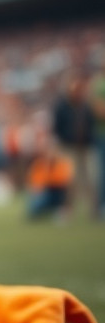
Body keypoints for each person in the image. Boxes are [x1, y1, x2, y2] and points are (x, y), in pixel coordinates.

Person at [51, 74, 96, 219]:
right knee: (70, 180)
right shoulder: (62, 106)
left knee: (90, 178)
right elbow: (56, 128)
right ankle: (68, 210)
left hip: (85, 146)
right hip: (68, 147)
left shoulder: (86, 105)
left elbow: (92, 124)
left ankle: (94, 210)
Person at [26, 137, 73, 221]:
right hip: (45, 192)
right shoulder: (39, 163)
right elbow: (35, 182)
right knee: (35, 202)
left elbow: (64, 180)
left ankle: (61, 210)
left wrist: (48, 177)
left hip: (57, 192)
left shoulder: (62, 163)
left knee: (62, 192)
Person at [89, 61, 105, 218]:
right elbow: (100, 111)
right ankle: (101, 205)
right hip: (102, 135)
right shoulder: (99, 85)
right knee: (102, 171)